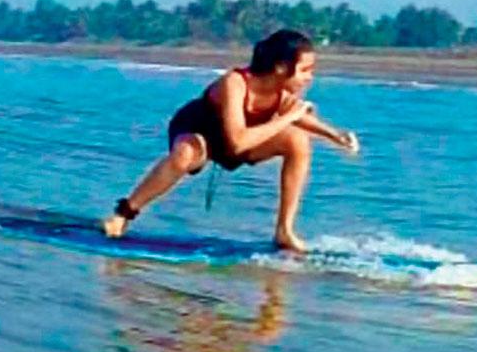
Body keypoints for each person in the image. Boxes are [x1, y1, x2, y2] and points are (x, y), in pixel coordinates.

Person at [103, 29, 359, 251]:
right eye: (304, 70)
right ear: (281, 67)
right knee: (185, 155)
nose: (309, 77)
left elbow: (297, 117)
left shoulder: (281, 93)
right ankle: (123, 214)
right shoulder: (235, 83)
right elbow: (238, 141)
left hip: (238, 139)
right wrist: (289, 116)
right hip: (199, 132)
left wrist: (335, 135)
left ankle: (284, 231)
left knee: (298, 140)